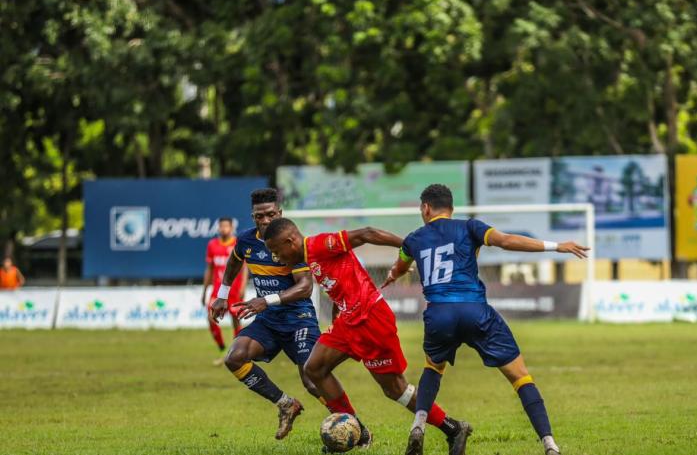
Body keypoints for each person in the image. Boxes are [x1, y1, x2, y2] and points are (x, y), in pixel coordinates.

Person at [383, 184, 589, 455]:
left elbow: (399, 266)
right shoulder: (469, 227)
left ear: (425, 208)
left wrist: (392, 276)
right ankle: (550, 445)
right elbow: (505, 240)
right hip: (474, 310)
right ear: (451, 209)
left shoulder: (413, 239)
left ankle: (418, 425)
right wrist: (556, 246)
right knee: (520, 378)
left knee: (433, 368)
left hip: (439, 314)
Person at [263, 218, 472, 454]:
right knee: (314, 368)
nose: (276, 257)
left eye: (276, 250)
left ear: (290, 241)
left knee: (396, 389)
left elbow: (366, 233)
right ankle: (356, 432)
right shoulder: (309, 258)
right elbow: (337, 286)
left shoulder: (319, 245)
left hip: (371, 320)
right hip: (348, 322)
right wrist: (336, 315)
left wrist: (411, 247)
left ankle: (453, 428)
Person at [208, 188, 321, 440]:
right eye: (260, 216)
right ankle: (285, 404)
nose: (265, 220)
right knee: (234, 358)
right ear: (253, 217)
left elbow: (305, 287)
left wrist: (266, 301)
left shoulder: (292, 242)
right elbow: (235, 261)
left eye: (271, 214)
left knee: (312, 380)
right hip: (269, 320)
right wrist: (222, 295)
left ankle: (355, 425)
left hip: (298, 318)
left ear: (279, 213)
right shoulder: (247, 240)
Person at [201, 217, 247, 365]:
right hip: (217, 291)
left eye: (226, 226)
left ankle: (237, 353)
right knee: (210, 318)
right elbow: (209, 269)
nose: (223, 229)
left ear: (231, 228)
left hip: (234, 291)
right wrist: (204, 291)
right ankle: (222, 350)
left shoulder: (237, 243)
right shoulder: (212, 245)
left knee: (236, 320)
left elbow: (244, 267)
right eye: (221, 226)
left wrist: (243, 286)